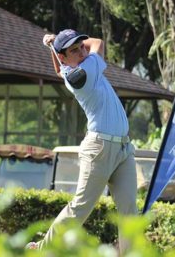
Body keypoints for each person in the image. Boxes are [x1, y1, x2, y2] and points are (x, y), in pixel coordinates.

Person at [28, 29, 138, 252]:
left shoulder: (72, 71)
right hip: (100, 149)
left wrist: (55, 46)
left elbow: (60, 71)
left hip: (123, 149)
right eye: (74, 50)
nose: (81, 52)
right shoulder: (88, 68)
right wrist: (56, 42)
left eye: (80, 47)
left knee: (129, 211)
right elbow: (97, 42)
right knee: (81, 208)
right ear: (64, 56)